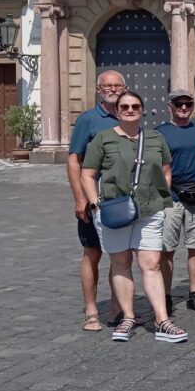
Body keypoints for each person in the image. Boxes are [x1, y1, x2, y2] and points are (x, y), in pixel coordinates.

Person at [81, 90, 186, 343]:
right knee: (120, 263)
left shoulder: (155, 138)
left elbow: (165, 170)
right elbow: (87, 174)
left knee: (150, 263)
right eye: (125, 106)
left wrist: (162, 197)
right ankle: (128, 317)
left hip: (150, 210)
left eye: (135, 106)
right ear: (117, 111)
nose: (130, 110)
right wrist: (95, 204)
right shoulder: (103, 139)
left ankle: (162, 320)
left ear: (142, 110)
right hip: (115, 210)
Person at [68, 70, 125, 332]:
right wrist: (80, 198)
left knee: (121, 254)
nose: (112, 89)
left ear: (124, 87)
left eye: (117, 85)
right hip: (94, 199)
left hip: (122, 200)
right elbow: (74, 160)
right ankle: (91, 309)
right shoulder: (88, 120)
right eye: (107, 86)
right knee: (92, 252)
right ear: (98, 89)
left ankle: (117, 306)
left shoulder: (130, 116)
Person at [155, 88, 195, 315]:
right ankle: (165, 295)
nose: (184, 108)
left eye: (188, 104)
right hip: (172, 199)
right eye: (179, 104)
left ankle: (194, 293)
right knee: (166, 250)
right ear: (170, 106)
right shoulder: (160, 133)